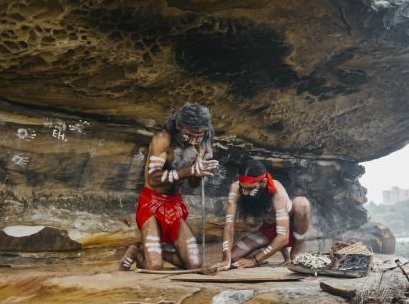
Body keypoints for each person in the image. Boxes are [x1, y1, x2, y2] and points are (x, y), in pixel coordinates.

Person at [119, 103, 218, 270]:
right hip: (151, 203)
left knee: (194, 264)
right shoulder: (162, 139)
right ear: (179, 127)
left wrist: (200, 168)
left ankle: (144, 250)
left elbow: (194, 184)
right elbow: (154, 179)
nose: (193, 140)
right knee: (154, 267)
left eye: (199, 136)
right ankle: (136, 252)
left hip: (174, 205)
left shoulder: (200, 144)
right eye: (189, 135)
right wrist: (190, 170)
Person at [218, 158, 310, 270]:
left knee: (302, 203)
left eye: (250, 188)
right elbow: (229, 225)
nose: (245, 193)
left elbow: (283, 236)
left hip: (288, 230)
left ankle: (294, 253)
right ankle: (267, 249)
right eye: (243, 188)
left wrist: (254, 260)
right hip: (269, 230)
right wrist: (225, 259)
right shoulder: (236, 187)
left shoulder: (277, 191)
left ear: (263, 182)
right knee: (233, 259)